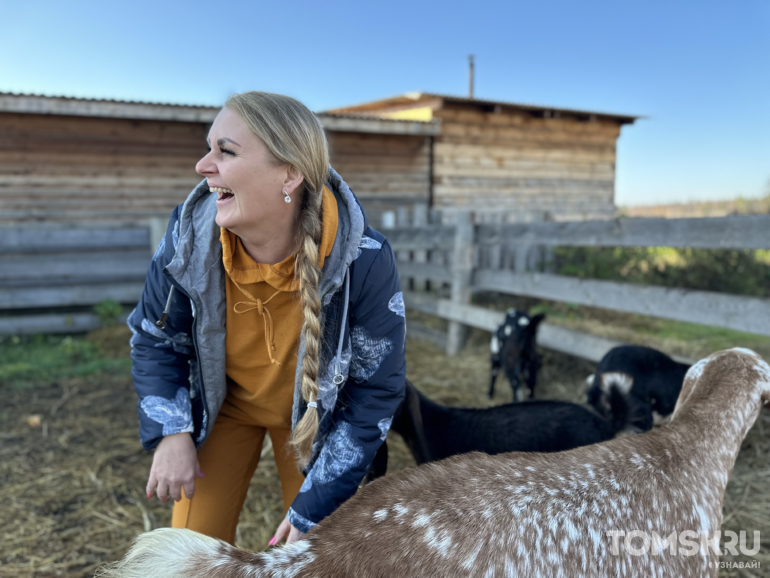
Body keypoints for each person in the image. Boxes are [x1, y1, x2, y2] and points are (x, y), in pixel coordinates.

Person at [127, 91, 406, 546]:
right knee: (190, 557)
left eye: (226, 151)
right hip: (223, 410)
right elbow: (154, 336)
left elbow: (376, 388)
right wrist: (171, 431)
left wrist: (317, 505)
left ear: (289, 174)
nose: (202, 165)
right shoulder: (188, 237)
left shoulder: (363, 258)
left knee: (320, 556)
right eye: (208, 147)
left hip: (316, 423)